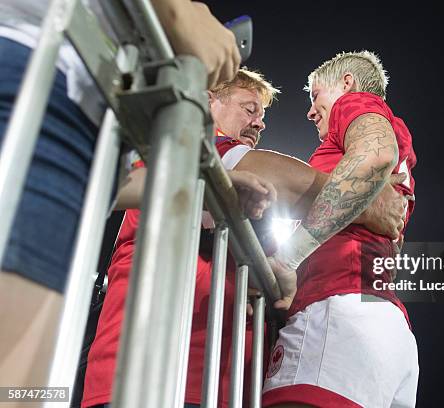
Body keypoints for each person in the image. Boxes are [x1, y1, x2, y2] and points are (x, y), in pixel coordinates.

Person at [83, 67, 408, 407]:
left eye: (262, 115)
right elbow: (279, 179)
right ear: (209, 104)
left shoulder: (249, 203)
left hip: (224, 382)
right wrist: (367, 202)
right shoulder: (191, 145)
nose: (260, 122)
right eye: (249, 109)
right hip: (157, 373)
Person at [0, 0, 240, 392]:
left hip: (72, 116)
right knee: (17, 387)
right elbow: (190, 29)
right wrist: (184, 14)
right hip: (44, 77)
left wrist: (207, 187)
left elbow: (126, 185)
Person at [262, 51, 419, 408]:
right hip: (386, 328)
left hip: (339, 314)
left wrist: (289, 258)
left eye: (315, 95)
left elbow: (374, 156)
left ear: (346, 83)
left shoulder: (356, 103)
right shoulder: (399, 155)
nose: (310, 110)